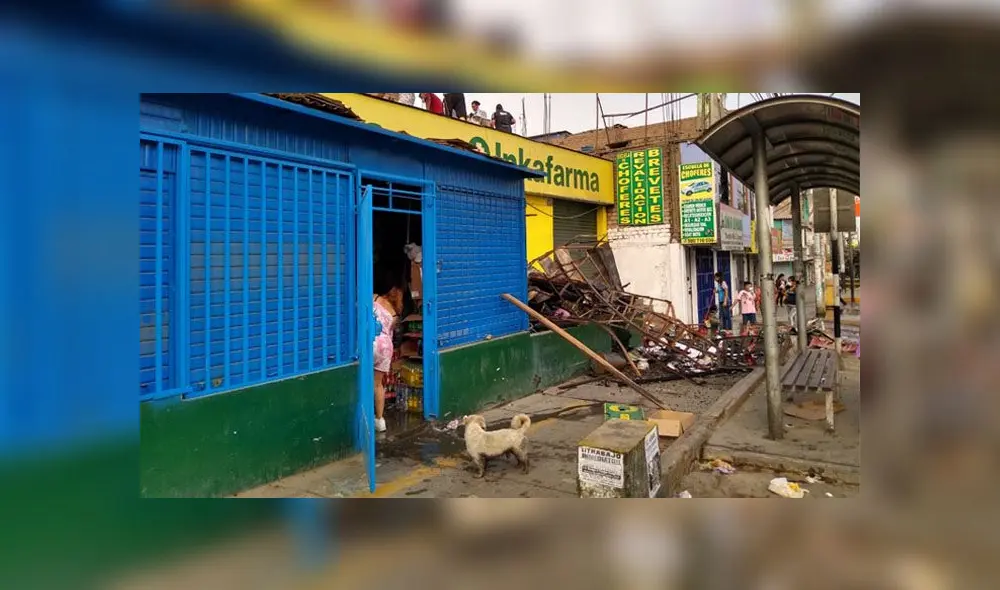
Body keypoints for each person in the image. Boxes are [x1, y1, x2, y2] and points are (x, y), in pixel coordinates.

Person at [373, 284, 405, 433]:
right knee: (378, 384)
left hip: (372, 341)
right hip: (386, 346)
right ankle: (380, 421)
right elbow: (395, 333)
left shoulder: (375, 297)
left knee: (364, 379)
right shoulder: (395, 315)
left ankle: (365, 415)